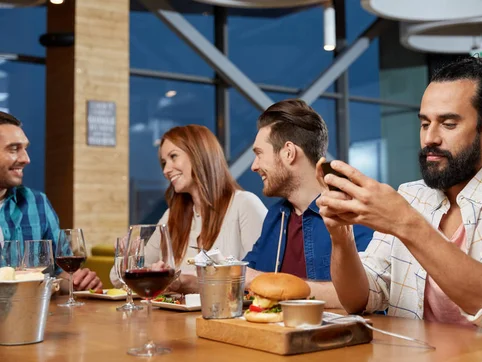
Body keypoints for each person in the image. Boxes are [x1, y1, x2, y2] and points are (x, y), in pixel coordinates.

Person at [317, 43, 482, 337]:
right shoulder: (410, 197)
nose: (430, 138)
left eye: (448, 124)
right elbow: (358, 299)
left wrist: (406, 223)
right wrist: (341, 238)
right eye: (425, 123)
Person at [243, 99, 373, 307]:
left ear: (289, 153)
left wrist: (258, 281)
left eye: (259, 154)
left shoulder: (352, 213)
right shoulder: (276, 216)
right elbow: (246, 274)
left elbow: (367, 294)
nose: (254, 166)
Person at [111, 125, 267, 294]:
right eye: (164, 162)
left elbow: (262, 281)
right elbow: (118, 281)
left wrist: (192, 283)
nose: (166, 170)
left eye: (173, 157)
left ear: (199, 154)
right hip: (175, 319)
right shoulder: (172, 216)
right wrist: (130, 257)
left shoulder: (244, 204)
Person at [0, 111, 102, 291]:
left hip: (32, 316)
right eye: (14, 149)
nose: (26, 159)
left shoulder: (36, 202)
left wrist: (74, 283)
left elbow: (59, 274)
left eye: (25, 148)